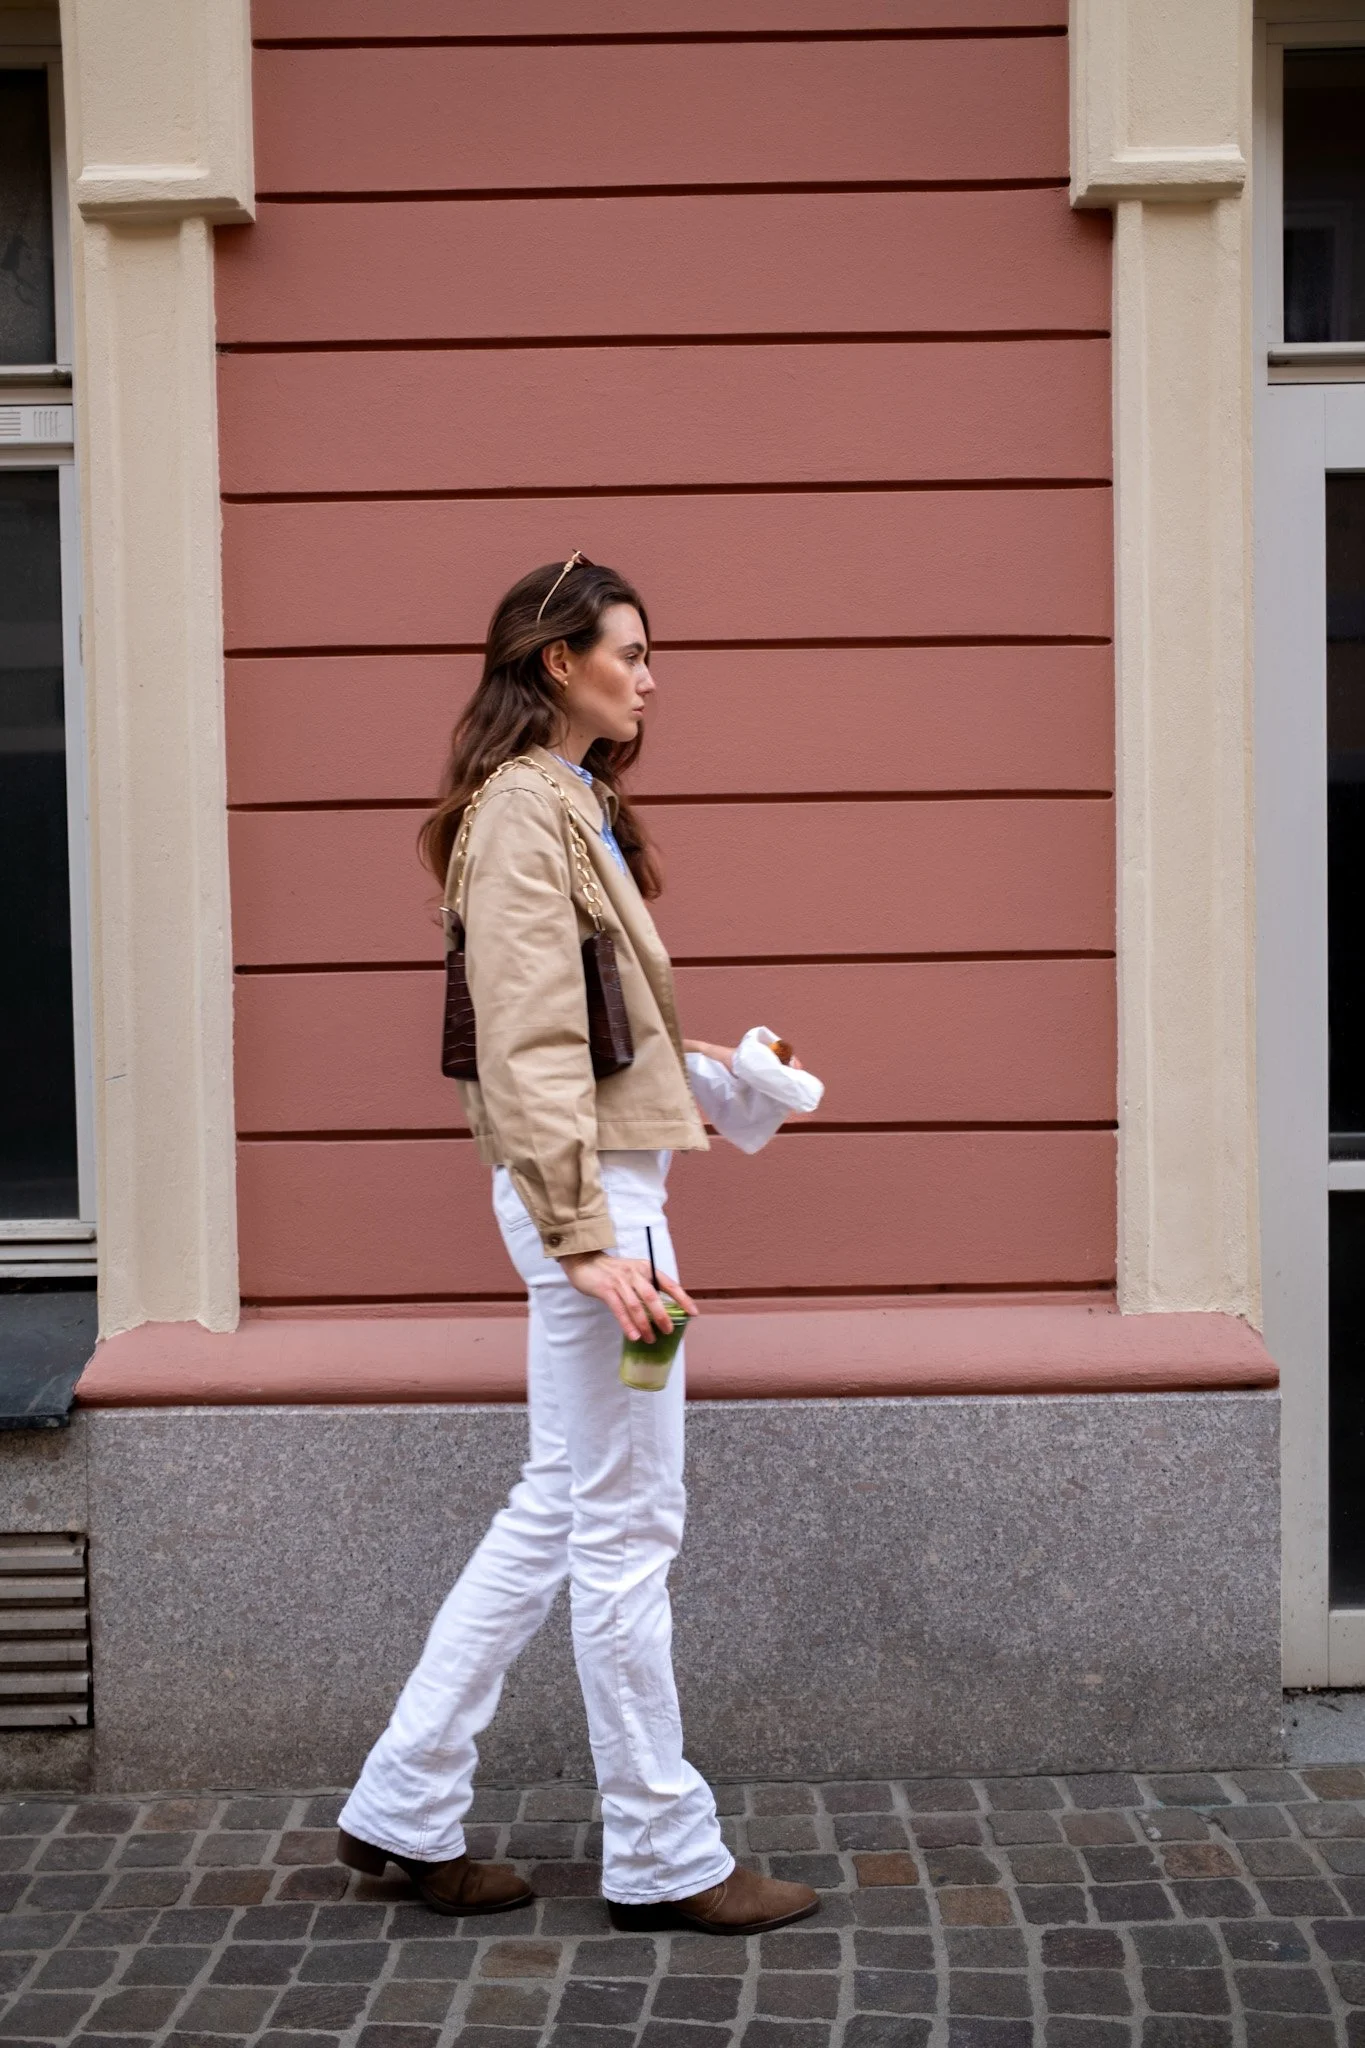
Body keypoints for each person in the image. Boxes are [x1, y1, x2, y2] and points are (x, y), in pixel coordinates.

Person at [335, 555, 819, 1937]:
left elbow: (593, 1034)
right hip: (595, 1202)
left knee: (561, 1504)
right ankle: (666, 1855)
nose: (652, 676)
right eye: (633, 651)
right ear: (561, 662)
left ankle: (407, 1805)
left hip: (603, 1186)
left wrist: (726, 1075)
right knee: (626, 1535)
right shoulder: (523, 817)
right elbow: (530, 1040)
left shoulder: (572, 807)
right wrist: (586, 1233)